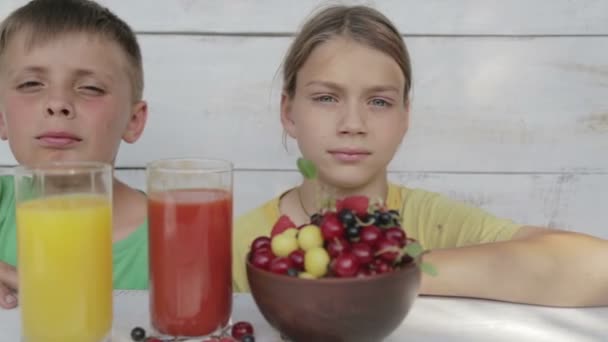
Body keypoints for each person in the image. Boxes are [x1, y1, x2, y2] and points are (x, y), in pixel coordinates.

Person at [233, 4, 608, 307]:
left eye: (379, 101)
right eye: (326, 98)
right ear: (288, 113)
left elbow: (597, 268)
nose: (353, 123)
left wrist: (387, 271)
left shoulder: (435, 223)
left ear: (404, 118)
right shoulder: (236, 245)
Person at [0, 0, 149, 309]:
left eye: (91, 88)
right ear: (1, 117)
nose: (58, 103)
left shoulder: (176, 233)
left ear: (133, 121)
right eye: (31, 84)